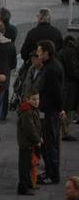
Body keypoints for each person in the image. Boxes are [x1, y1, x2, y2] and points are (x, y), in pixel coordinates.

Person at [38, 39, 66, 185]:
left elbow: (57, 92)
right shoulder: (51, 66)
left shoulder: (51, 69)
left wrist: (60, 109)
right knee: (48, 143)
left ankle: (53, 175)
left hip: (49, 111)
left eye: (39, 51)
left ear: (46, 53)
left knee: (49, 144)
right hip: (49, 109)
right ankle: (49, 171)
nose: (37, 53)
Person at [17, 90, 42, 195]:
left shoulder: (32, 109)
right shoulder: (27, 112)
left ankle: (28, 184)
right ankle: (23, 188)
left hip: (29, 143)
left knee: (28, 165)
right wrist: (37, 140)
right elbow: (30, 129)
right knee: (24, 166)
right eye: (34, 99)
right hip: (26, 143)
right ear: (28, 99)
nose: (36, 101)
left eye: (38, 99)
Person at [60, 36, 79, 140]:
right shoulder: (70, 52)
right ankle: (64, 132)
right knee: (67, 108)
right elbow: (72, 70)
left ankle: (63, 131)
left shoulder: (62, 51)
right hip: (69, 84)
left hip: (64, 83)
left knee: (64, 108)